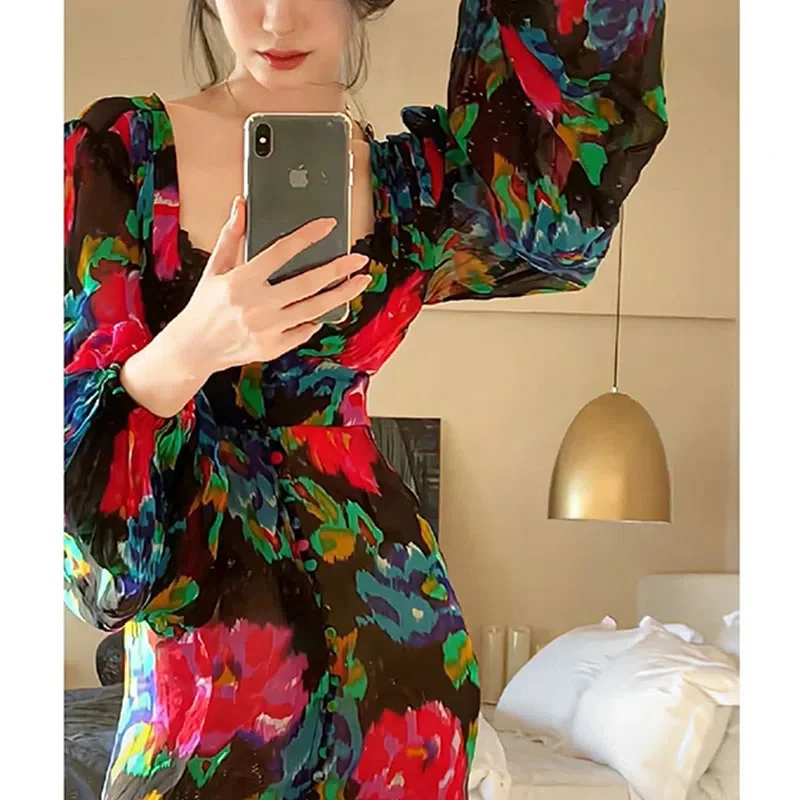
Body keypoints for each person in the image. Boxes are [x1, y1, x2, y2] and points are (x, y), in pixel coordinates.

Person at [63, 0, 668, 797]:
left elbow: (561, 206)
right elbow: (76, 503)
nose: (276, 18)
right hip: (209, 696)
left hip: (404, 684)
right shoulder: (117, 157)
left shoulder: (418, 187)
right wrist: (193, 347)